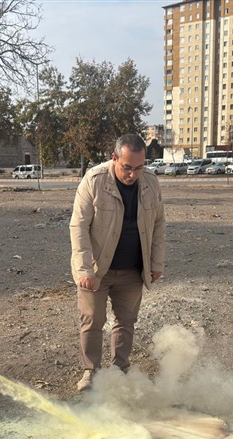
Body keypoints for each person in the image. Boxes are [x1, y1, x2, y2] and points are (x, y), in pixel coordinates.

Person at [69, 134, 166, 391]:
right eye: (127, 167)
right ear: (114, 158)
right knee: (92, 320)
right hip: (97, 270)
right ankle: (91, 371)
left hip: (133, 269)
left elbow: (158, 224)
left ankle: (120, 369)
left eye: (138, 167)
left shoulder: (151, 183)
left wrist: (156, 263)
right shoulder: (94, 180)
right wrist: (84, 270)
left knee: (126, 321)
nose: (133, 174)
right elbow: (78, 226)